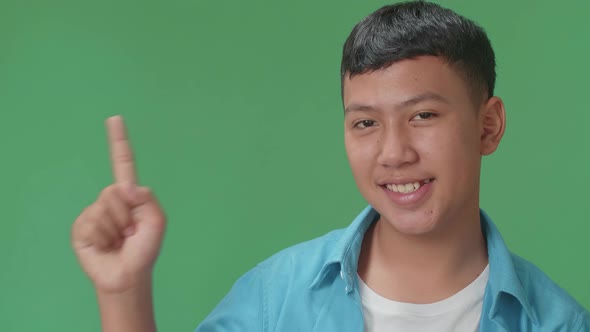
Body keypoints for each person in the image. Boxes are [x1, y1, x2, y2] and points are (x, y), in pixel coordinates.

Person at [71, 1, 590, 331]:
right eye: (365, 123)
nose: (394, 153)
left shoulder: (558, 322)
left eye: (423, 115)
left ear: (488, 126)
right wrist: (123, 294)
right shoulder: (275, 298)